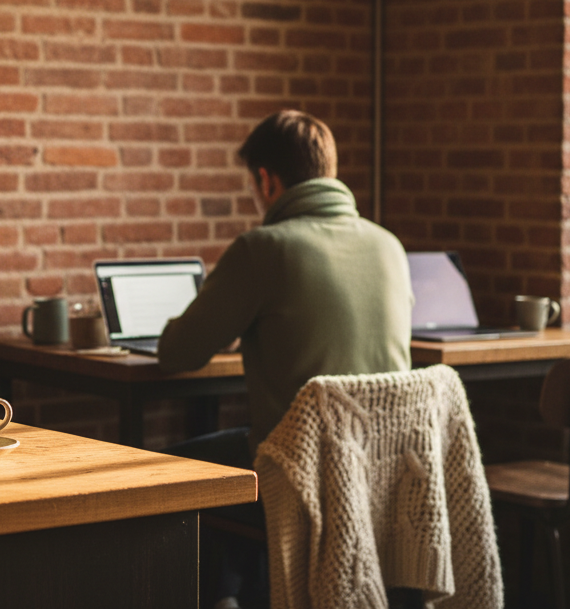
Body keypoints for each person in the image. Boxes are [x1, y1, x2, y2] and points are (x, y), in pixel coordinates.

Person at [157, 110, 412, 609]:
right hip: (382, 472)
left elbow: (176, 352)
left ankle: (223, 599)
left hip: (299, 474)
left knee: (171, 468)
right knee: (234, 453)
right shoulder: (390, 246)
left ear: (266, 180)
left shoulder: (263, 248)